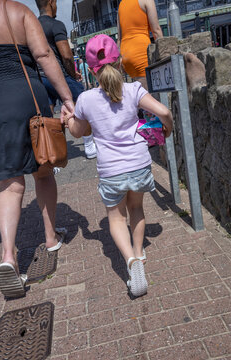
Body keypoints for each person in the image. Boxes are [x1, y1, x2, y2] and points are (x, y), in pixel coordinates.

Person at [65, 34, 173, 297]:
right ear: (120, 61)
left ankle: (130, 261)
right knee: (136, 208)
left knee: (116, 217)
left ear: (91, 69)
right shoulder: (134, 90)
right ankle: (139, 252)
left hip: (111, 171)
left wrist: (68, 119)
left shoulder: (86, 99)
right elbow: (164, 112)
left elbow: (78, 132)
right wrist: (167, 131)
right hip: (138, 164)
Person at [0, 0, 75, 298]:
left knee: (9, 187)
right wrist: (67, 99)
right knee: (43, 171)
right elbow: (43, 54)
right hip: (27, 98)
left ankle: (8, 258)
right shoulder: (18, 11)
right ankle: (51, 238)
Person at [35, 0, 96, 159]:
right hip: (60, 76)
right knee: (81, 107)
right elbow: (67, 56)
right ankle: (89, 145)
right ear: (51, 2)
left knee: (47, 118)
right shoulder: (56, 25)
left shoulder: (32, 25)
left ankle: (53, 154)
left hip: (41, 78)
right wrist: (73, 74)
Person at [117, 0, 163, 89]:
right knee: (148, 95)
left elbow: (119, 38)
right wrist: (164, 55)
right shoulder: (147, 1)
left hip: (126, 55)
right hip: (141, 52)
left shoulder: (121, 4)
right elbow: (156, 30)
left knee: (137, 94)